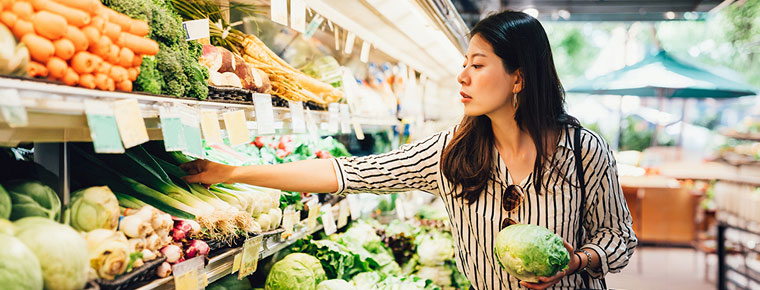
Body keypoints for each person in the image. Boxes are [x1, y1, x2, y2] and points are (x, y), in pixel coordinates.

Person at [181, 10, 637, 290]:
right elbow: (347, 173)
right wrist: (231, 174)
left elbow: (619, 239)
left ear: (518, 78)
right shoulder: (452, 155)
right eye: (464, 64)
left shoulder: (583, 151)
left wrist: (575, 262)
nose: (462, 77)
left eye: (478, 66)